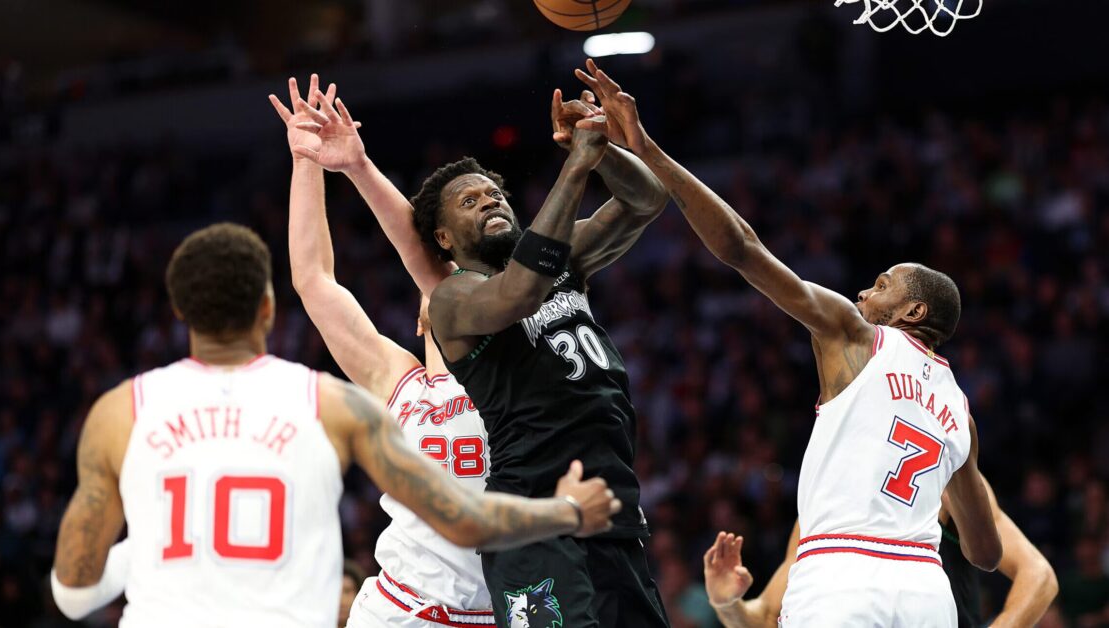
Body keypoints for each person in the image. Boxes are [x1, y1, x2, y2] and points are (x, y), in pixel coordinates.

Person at [574, 59, 1002, 627]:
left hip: (841, 579)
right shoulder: (960, 411)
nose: (864, 291)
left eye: (882, 285)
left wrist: (646, 147)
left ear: (914, 311)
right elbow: (985, 554)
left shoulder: (856, 334)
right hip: (926, 591)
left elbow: (741, 248)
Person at [50, 222, 621, 627]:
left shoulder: (121, 411)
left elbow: (74, 595)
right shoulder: (339, 400)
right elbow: (463, 519)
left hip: (502, 600)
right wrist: (569, 512)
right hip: (402, 607)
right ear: (267, 309)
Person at [416, 83, 671, 624]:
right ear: (443, 238)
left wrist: (598, 149)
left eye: (494, 194)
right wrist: (576, 167)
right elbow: (519, 293)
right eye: (469, 202)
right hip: (533, 521)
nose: (489, 201)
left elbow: (646, 200)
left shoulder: (561, 257)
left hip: (612, 513)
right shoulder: (452, 299)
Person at [270, 73, 495, 626]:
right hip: (399, 608)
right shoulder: (400, 382)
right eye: (434, 293)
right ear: (421, 321)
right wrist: (306, 162)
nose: (443, 290)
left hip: (496, 611)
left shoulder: (508, 369)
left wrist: (361, 167)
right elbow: (314, 279)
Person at [702, 477, 1058, 627]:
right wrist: (727, 603)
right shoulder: (821, 506)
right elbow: (766, 617)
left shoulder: (938, 474)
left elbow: (1038, 576)